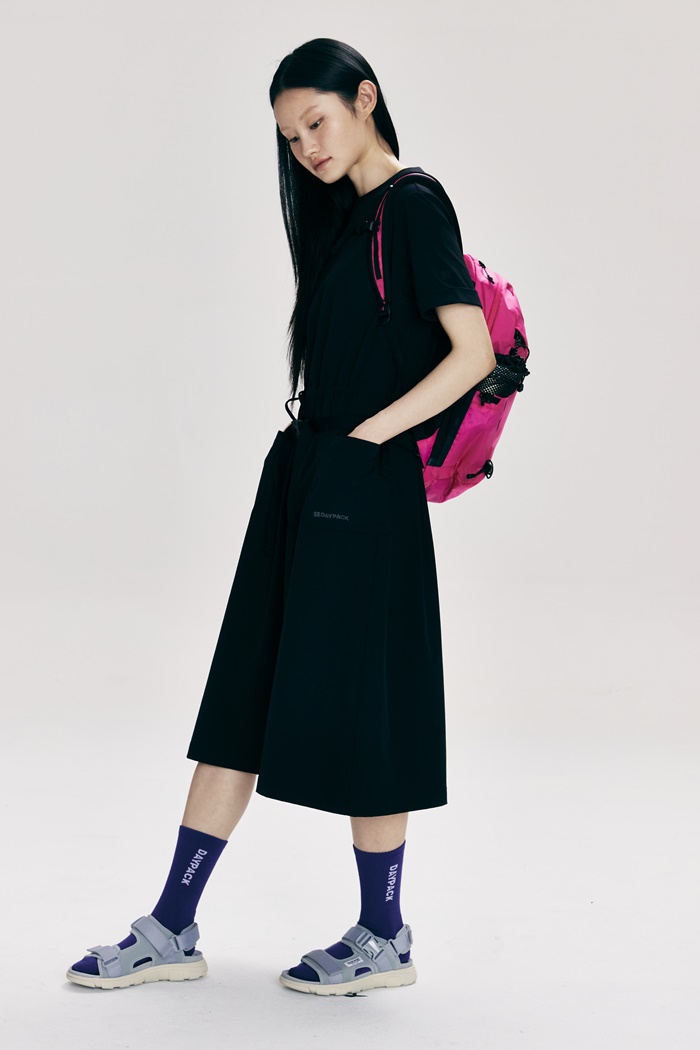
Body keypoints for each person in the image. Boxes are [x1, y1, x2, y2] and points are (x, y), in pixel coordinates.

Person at [66, 36, 496, 995]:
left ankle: (384, 934)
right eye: (291, 136)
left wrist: (366, 441)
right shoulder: (341, 216)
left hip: (363, 482)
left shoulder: (413, 204)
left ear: (366, 99)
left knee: (370, 707)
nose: (307, 147)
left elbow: (470, 352)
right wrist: (327, 453)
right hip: (306, 471)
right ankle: (171, 924)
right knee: (242, 688)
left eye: (318, 122)